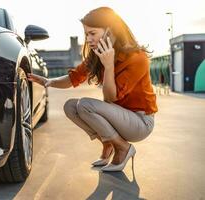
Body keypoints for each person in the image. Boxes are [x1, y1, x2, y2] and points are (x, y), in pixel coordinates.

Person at [27, 7, 158, 172]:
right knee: (70, 106)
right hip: (118, 117)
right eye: (86, 34)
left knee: (84, 105)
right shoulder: (96, 55)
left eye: (92, 33)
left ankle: (123, 148)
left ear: (110, 32)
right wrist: (49, 81)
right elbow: (73, 79)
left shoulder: (137, 58)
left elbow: (111, 98)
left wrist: (109, 66)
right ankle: (108, 142)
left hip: (140, 123)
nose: (88, 39)